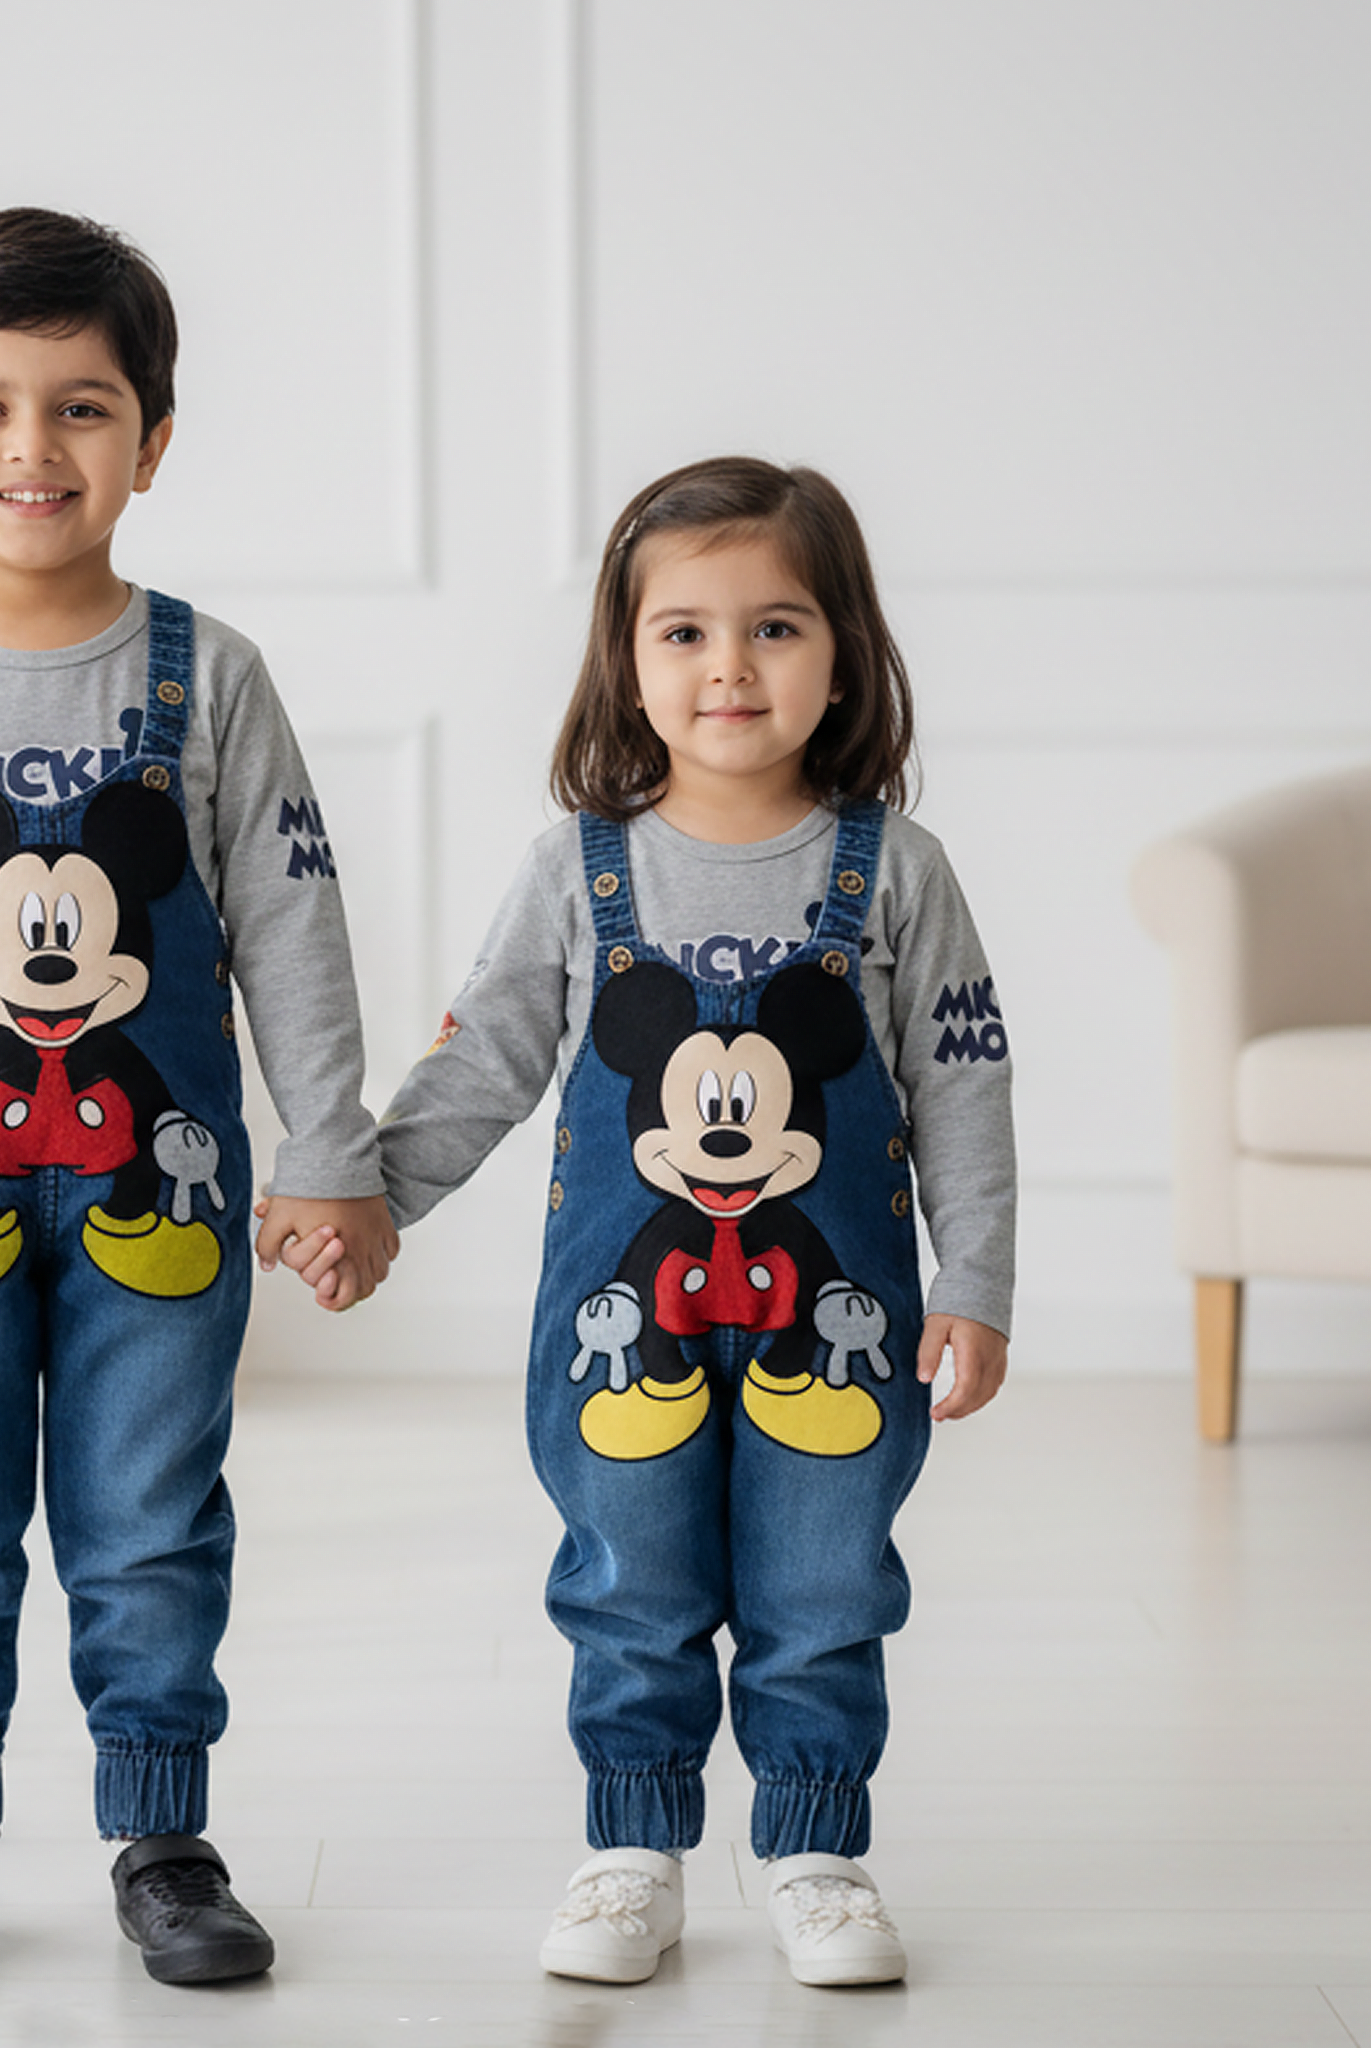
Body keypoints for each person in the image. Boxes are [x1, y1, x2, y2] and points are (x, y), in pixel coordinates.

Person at [0, 207, 397, 1992]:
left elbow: (294, 935)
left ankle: (163, 1833)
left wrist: (334, 1156)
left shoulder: (212, 679)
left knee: (153, 1508)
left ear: (153, 442)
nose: (33, 450)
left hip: (160, 1201)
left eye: (85, 408)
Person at [278, 456, 1013, 1987]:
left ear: (846, 653)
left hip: (841, 1323)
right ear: (624, 657)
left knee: (823, 1586)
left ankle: (816, 1849)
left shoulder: (897, 872)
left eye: (776, 627)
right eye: (682, 631)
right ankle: (633, 1850)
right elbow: (483, 1058)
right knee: (631, 1581)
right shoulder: (577, 872)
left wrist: (978, 1281)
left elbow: (960, 1085)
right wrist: (378, 1201)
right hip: (627, 1325)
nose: (729, 667)